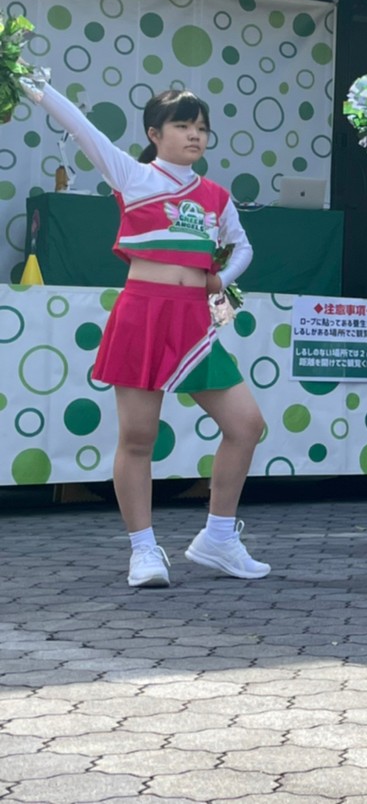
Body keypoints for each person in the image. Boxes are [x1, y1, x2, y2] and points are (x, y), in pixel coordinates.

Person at [22, 81, 267, 588]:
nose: (195, 135)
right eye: (183, 125)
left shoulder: (216, 196)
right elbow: (81, 128)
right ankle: (143, 549)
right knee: (138, 438)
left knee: (246, 425)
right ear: (154, 133)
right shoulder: (132, 175)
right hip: (142, 315)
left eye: (202, 128)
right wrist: (34, 87)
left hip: (194, 323)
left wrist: (221, 278)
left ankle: (219, 537)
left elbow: (242, 246)